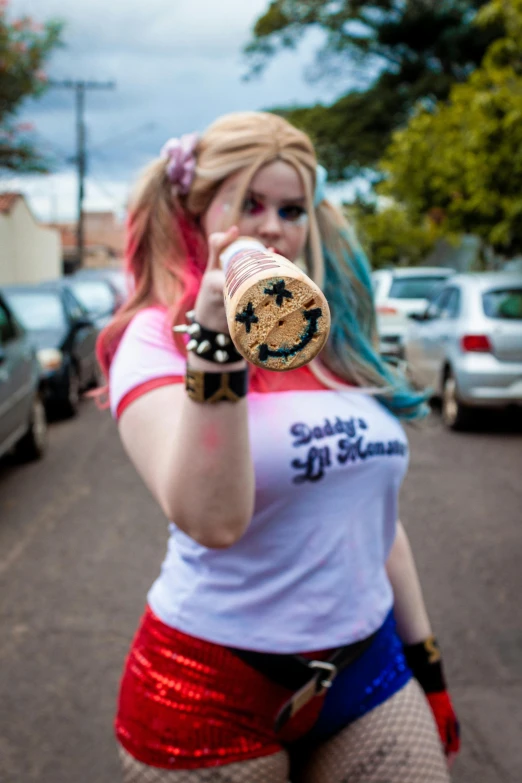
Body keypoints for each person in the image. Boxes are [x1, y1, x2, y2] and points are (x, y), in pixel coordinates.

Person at [97, 111, 460, 783]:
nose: (272, 226)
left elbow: (376, 522)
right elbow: (212, 519)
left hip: (366, 669)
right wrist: (216, 346)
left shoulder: (337, 338)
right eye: (251, 204)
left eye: (292, 208)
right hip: (208, 684)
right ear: (196, 210)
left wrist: (427, 662)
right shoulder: (152, 339)